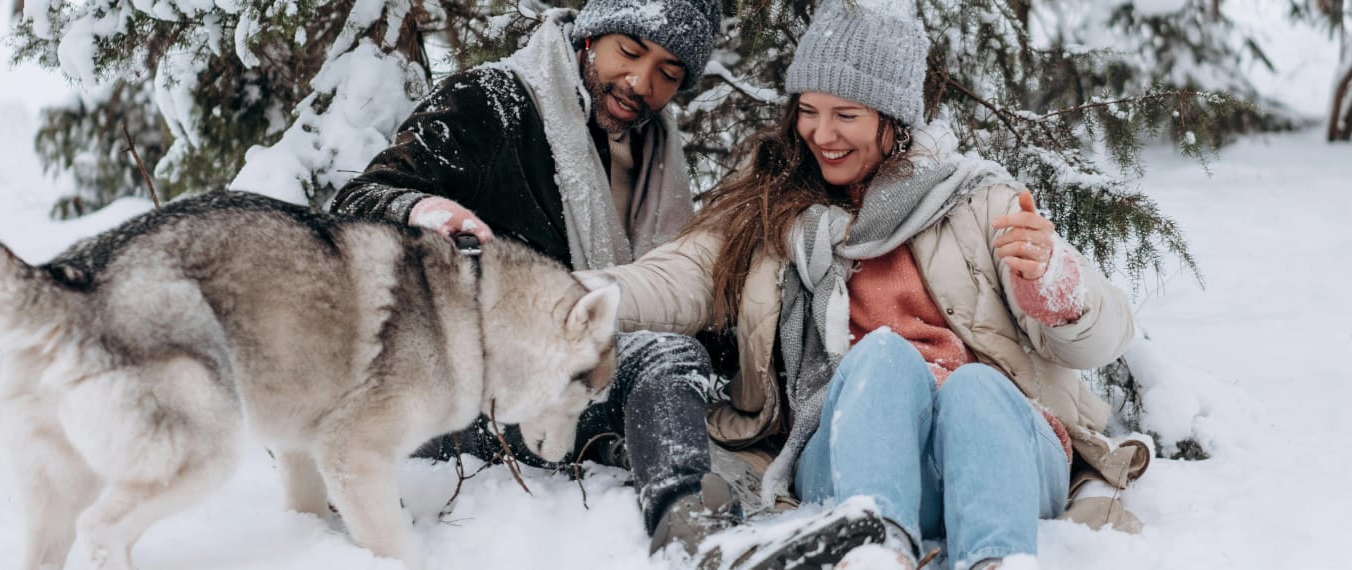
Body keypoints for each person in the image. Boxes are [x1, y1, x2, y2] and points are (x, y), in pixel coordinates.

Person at [581, 2, 1152, 569]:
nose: (821, 134)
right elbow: (677, 277)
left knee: (976, 388)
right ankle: (877, 552)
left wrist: (1056, 289)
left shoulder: (979, 203)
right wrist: (565, 298)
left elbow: (1105, 338)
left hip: (998, 456)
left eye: (846, 115)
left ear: (893, 119)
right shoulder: (771, 212)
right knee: (881, 357)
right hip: (854, 449)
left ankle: (997, 559)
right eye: (808, 110)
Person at [330, 0, 742, 559]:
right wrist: (422, 210)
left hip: (570, 390)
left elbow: (666, 286)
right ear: (591, 35)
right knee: (655, 356)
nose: (640, 82)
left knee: (668, 355)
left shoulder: (654, 156)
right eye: (630, 51)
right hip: (466, 398)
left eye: (669, 73)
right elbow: (357, 204)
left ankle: (691, 524)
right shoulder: (492, 103)